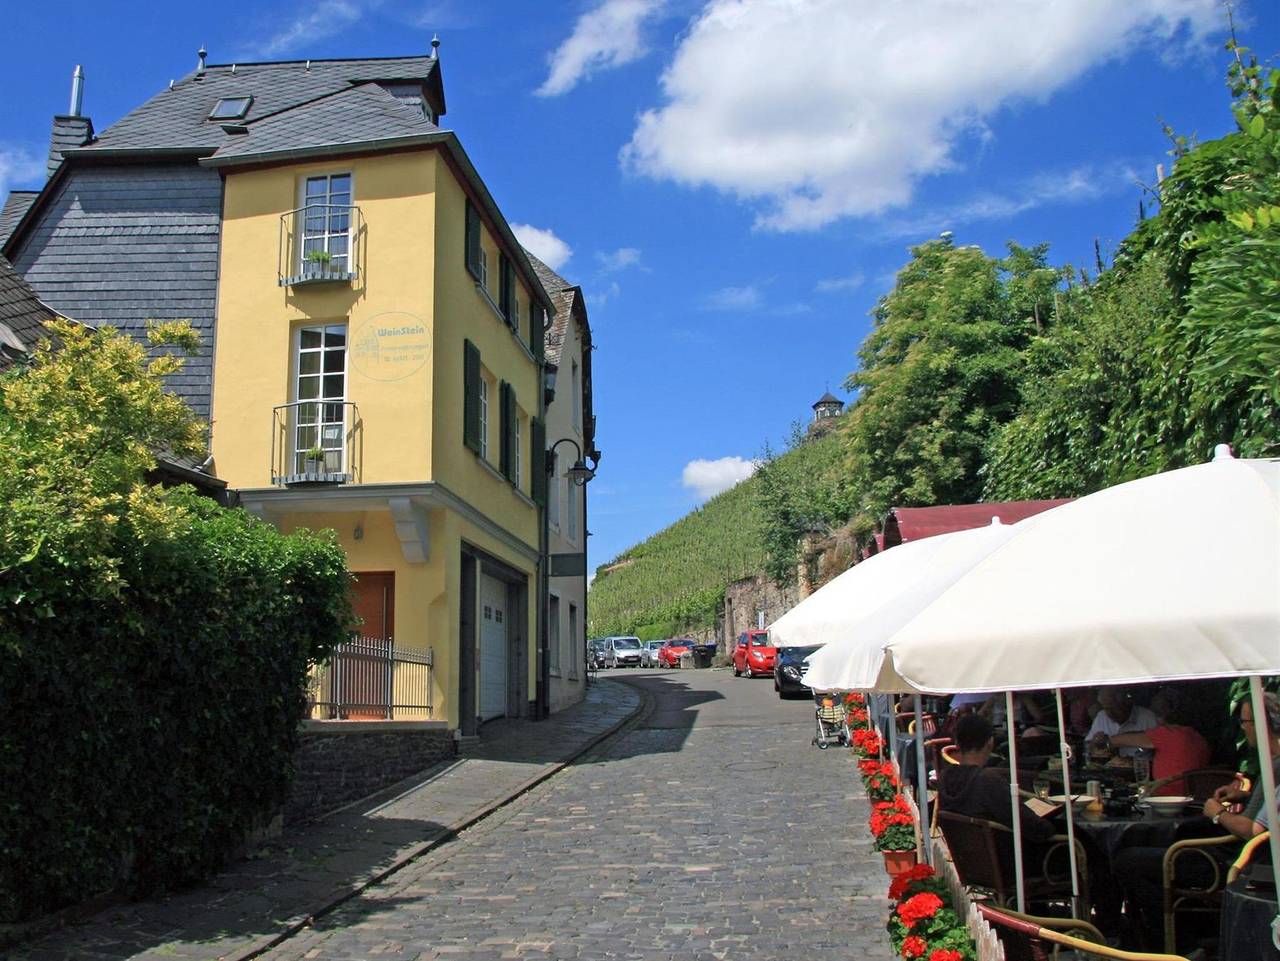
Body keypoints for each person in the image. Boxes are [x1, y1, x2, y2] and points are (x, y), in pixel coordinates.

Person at [1113, 692, 1280, 949]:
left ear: (1263, 725)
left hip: (1240, 861)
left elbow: (1253, 830)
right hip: (1239, 852)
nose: (1243, 729)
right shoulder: (1271, 765)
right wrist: (1245, 796)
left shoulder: (1276, 767)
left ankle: (1175, 941)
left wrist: (1216, 812)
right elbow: (1269, 810)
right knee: (1146, 844)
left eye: (1245, 722)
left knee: (1127, 860)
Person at [938, 713, 1056, 844]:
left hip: (964, 853)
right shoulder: (987, 781)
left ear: (957, 744)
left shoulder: (945, 776)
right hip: (1002, 855)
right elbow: (1034, 827)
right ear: (990, 742)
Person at [1108, 689, 1211, 796]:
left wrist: (1103, 742)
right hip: (1194, 797)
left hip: (1166, 796)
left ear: (1158, 716)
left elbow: (1117, 740)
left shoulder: (1167, 734)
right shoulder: (1197, 737)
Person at [1087, 687, 1158, 758]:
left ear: (1125, 703)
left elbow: (1159, 744)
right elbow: (1088, 747)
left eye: (1113, 708)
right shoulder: (1102, 716)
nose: (1110, 713)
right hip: (1109, 766)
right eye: (1106, 708)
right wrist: (1095, 742)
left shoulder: (1148, 717)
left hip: (1141, 766)